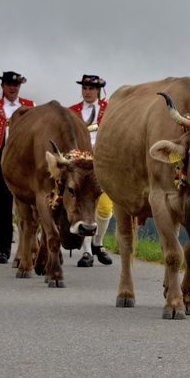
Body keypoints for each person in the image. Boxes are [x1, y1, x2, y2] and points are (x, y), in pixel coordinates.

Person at [0, 71, 34, 263]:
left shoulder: (30, 106)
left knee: (28, 202)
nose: (13, 88)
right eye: (9, 84)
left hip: (24, 157)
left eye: (16, 85)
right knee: (1, 203)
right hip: (2, 154)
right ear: (2, 86)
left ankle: (30, 245)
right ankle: (3, 248)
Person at [68, 74, 113, 267]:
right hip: (79, 165)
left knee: (104, 208)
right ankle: (86, 252)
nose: (87, 92)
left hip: (102, 163)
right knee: (83, 206)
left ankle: (97, 242)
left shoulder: (110, 110)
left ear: (98, 91)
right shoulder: (71, 112)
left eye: (91, 89)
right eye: (84, 88)